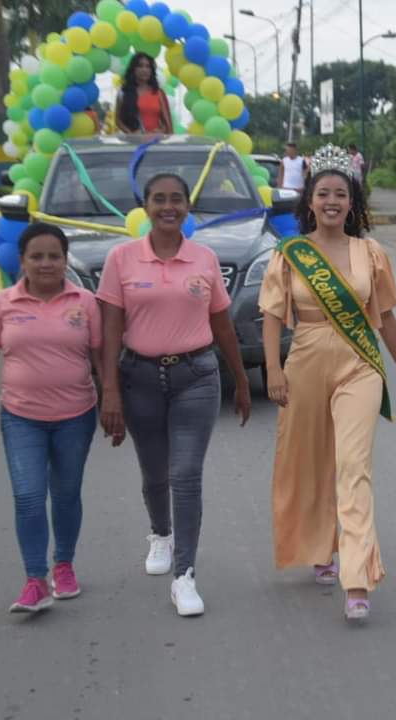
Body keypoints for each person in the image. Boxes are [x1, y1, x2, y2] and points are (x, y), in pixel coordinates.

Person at [260, 144, 396, 623]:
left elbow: (384, 316)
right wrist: (273, 370)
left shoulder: (370, 253)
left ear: (352, 202)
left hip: (358, 364)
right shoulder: (291, 254)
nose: (332, 201)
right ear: (310, 200)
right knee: (309, 461)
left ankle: (357, 576)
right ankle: (318, 548)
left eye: (341, 194)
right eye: (324, 193)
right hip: (305, 359)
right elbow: (272, 314)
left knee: (353, 465)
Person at [98, 173, 251, 617]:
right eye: (159, 199)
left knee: (185, 475)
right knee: (155, 473)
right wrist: (109, 390)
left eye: (177, 199)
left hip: (196, 377)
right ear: (145, 206)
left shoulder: (204, 259)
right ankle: (161, 534)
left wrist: (241, 381)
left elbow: (222, 324)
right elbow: (110, 329)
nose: (169, 206)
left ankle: (185, 575)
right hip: (139, 378)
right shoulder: (122, 259)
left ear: (187, 206)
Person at [0, 223, 103, 613]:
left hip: (76, 415)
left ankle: (64, 565)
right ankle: (35, 579)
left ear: (65, 260)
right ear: (22, 260)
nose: (46, 264)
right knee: (28, 496)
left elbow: (100, 357)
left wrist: (114, 401)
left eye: (54, 256)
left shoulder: (85, 302)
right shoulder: (1, 304)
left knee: (66, 494)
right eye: (37, 256)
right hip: (21, 417)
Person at [114, 53, 172, 135]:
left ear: (151, 70)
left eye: (148, 66)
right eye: (140, 66)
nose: (144, 70)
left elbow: (168, 124)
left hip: (156, 140)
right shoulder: (123, 92)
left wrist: (162, 131)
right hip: (133, 140)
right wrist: (131, 134)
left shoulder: (159, 93)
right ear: (133, 69)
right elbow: (118, 120)